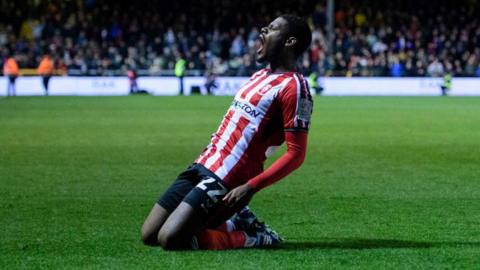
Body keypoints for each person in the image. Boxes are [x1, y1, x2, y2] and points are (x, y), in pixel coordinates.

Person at [141, 14, 313, 250]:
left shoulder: (295, 87)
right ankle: (238, 220)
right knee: (150, 234)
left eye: (272, 28)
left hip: (229, 178)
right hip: (203, 164)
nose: (263, 29)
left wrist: (251, 186)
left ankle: (253, 236)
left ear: (290, 41)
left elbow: (296, 154)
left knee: (171, 238)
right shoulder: (259, 76)